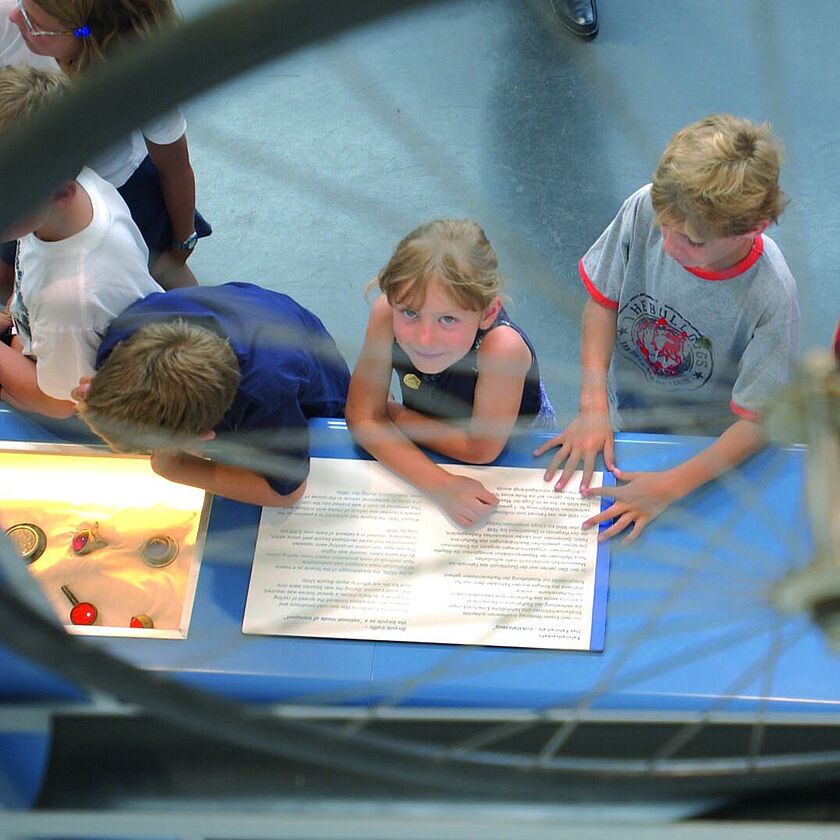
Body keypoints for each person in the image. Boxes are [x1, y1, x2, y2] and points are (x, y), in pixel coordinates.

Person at [535, 114, 800, 543]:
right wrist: (592, 402)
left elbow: (758, 423)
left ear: (754, 228)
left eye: (694, 242)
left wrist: (671, 486)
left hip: (707, 447)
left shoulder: (772, 295)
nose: (671, 246)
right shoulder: (645, 206)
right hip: (633, 420)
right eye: (665, 228)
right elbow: (602, 303)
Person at [345, 219, 554, 528]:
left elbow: (481, 448)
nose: (424, 338)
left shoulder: (502, 349)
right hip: (433, 424)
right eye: (411, 313)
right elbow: (361, 419)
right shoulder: (386, 313)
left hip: (510, 441)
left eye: (447, 319)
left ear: (488, 313)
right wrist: (440, 485)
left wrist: (392, 414)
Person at [75, 282, 351, 508]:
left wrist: (174, 467)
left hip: (302, 353)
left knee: (333, 415)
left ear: (205, 437)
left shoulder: (266, 395)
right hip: (249, 310)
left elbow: (287, 492)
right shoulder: (121, 338)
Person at [4, 0, 209, 290]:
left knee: (167, 285)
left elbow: (175, 169)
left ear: (88, 38)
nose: (15, 17)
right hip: (30, 187)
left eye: (34, 22)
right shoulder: (14, 15)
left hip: (118, 187)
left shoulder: (139, 80)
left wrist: (180, 248)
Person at [0, 65, 162, 417]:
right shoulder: (77, 189)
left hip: (75, 406)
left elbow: (59, 405)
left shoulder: (70, 299)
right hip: (52, 338)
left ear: (60, 191)